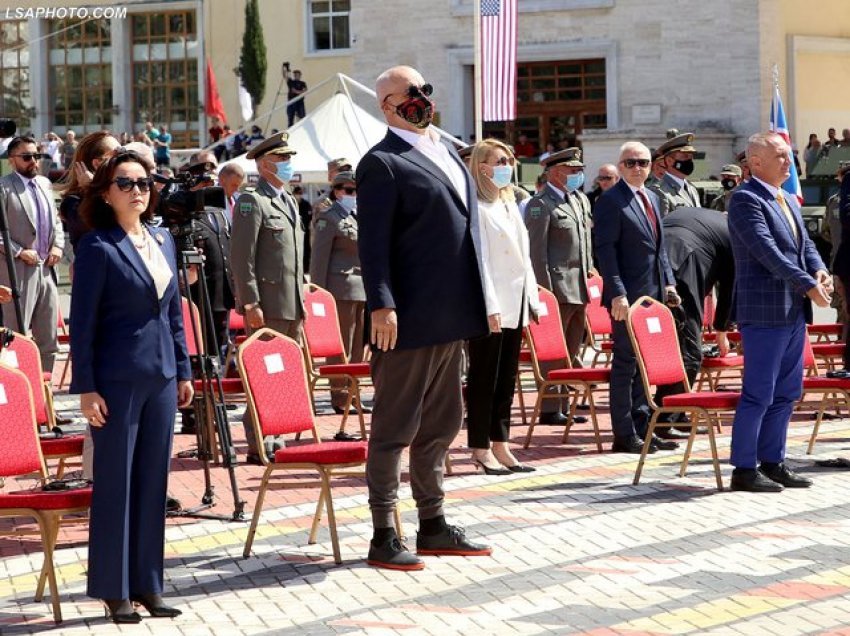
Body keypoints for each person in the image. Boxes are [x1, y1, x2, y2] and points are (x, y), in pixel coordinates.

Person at [357, 65, 491, 570]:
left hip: (451, 311)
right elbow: (373, 246)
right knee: (395, 426)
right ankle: (382, 531)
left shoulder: (446, 152)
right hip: (407, 317)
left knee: (441, 422)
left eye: (424, 90)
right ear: (387, 104)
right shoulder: (382, 162)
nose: (422, 99)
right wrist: (382, 304)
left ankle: (432, 521)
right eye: (410, 93)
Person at [70, 149, 193, 623]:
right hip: (116, 381)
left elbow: (174, 314)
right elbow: (82, 325)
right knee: (116, 485)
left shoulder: (162, 240)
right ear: (106, 191)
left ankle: (148, 584)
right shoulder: (98, 247)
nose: (138, 190)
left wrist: (183, 370)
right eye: (125, 182)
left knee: (151, 483)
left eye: (144, 182)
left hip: (161, 378)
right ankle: (114, 588)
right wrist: (86, 387)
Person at [727, 132, 831, 492]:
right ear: (756, 162)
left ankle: (773, 461)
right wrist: (807, 284)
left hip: (792, 312)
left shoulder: (787, 197)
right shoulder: (744, 199)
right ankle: (744, 468)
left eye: (789, 156)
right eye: (782, 156)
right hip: (764, 311)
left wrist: (819, 270)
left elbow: (805, 247)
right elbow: (767, 251)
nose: (789, 162)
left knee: (787, 391)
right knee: (759, 392)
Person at [593, 141, 680, 454]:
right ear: (620, 166)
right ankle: (624, 432)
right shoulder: (611, 201)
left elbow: (660, 250)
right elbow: (605, 250)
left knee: (646, 364)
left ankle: (645, 427)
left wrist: (669, 284)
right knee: (626, 364)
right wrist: (616, 292)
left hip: (652, 296)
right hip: (626, 299)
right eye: (630, 163)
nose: (638, 168)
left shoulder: (653, 198)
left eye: (643, 162)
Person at [466, 139, 540, 474]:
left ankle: (501, 442)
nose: (507, 165)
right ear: (482, 167)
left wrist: (533, 299)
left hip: (517, 301)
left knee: (507, 378)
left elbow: (525, 257)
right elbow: (479, 261)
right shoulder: (476, 208)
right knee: (485, 378)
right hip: (492, 304)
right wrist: (488, 305)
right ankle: (480, 447)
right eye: (500, 160)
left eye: (509, 159)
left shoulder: (511, 203)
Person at [230, 132, 304, 463]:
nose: (288, 165)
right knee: (263, 372)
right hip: (268, 305)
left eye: (289, 159)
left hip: (292, 304)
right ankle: (258, 439)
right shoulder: (251, 201)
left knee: (283, 373)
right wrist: (250, 303)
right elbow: (242, 257)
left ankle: (275, 434)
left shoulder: (288, 200)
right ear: (264, 163)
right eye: (282, 160)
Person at [524, 147, 594, 426]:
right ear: (554, 172)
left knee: (572, 349)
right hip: (557, 288)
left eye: (579, 170)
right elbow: (536, 252)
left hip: (579, 287)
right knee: (554, 351)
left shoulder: (579, 201)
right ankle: (551, 407)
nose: (578, 174)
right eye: (572, 170)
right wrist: (544, 294)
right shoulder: (541, 204)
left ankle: (565, 403)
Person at [656, 206, 735, 419]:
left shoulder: (707, 217)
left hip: (651, 265)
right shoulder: (734, 233)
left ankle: (660, 412)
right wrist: (721, 331)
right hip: (684, 269)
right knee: (690, 351)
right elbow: (729, 289)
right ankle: (669, 415)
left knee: (658, 345)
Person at [309, 171, 370, 429]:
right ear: (336, 192)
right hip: (339, 287)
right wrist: (317, 292)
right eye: (348, 190)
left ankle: (352, 392)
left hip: (361, 288)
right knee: (341, 345)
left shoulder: (356, 216)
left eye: (356, 190)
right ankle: (339, 394)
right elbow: (319, 257)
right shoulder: (329, 217)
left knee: (357, 346)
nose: (353, 195)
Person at [0, 136, 65, 372]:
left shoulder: (45, 184)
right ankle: (21, 397)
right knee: (17, 337)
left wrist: (58, 245)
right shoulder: (3, 187)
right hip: (17, 271)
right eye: (27, 157)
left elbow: (56, 221)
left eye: (36, 155)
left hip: (47, 269)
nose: (33, 161)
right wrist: (18, 252)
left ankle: (44, 400)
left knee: (49, 339)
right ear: (11, 160)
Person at [57, 131, 121, 251]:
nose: (123, 159)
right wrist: (92, 189)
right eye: (116, 155)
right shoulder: (73, 202)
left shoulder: (123, 189)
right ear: (97, 163)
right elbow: (104, 227)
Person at [650, 132, 702, 216]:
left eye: (691, 157)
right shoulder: (660, 192)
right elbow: (662, 226)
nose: (690, 161)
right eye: (685, 156)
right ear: (669, 161)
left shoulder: (692, 189)